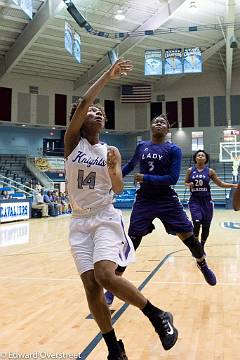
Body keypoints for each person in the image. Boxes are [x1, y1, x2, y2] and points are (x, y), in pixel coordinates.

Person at [64, 60, 178, 360]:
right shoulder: (72, 144)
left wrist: (115, 169)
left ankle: (157, 315)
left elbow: (116, 189)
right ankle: (115, 349)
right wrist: (108, 75)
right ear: (79, 118)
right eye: (92, 111)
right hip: (78, 222)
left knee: (104, 275)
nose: (97, 113)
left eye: (101, 113)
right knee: (91, 288)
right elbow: (85, 101)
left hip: (104, 219)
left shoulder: (110, 151)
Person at [105, 114, 217, 307]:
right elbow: (130, 166)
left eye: (162, 122)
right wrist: (112, 179)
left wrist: (145, 178)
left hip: (166, 198)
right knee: (132, 242)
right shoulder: (142, 147)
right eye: (156, 121)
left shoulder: (174, 149)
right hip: (145, 199)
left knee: (189, 237)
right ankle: (112, 287)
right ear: (151, 127)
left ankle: (202, 263)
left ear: (167, 130)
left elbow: (172, 178)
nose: (158, 123)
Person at [185, 150, 238, 253]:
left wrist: (234, 185)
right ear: (195, 158)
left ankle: (202, 246)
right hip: (195, 200)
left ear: (205, 159)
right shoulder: (190, 170)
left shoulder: (210, 171)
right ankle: (196, 247)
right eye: (198, 155)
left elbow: (220, 184)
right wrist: (188, 184)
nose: (200, 156)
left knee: (206, 226)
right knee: (196, 222)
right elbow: (185, 182)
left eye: (202, 155)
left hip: (207, 202)